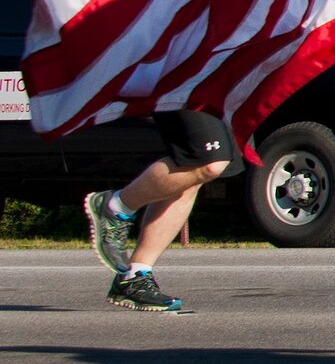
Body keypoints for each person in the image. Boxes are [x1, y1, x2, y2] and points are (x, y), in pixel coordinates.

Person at [83, 111, 242, 312]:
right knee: (208, 162)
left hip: (222, 84)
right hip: (189, 82)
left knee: (192, 174)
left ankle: (134, 276)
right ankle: (115, 206)